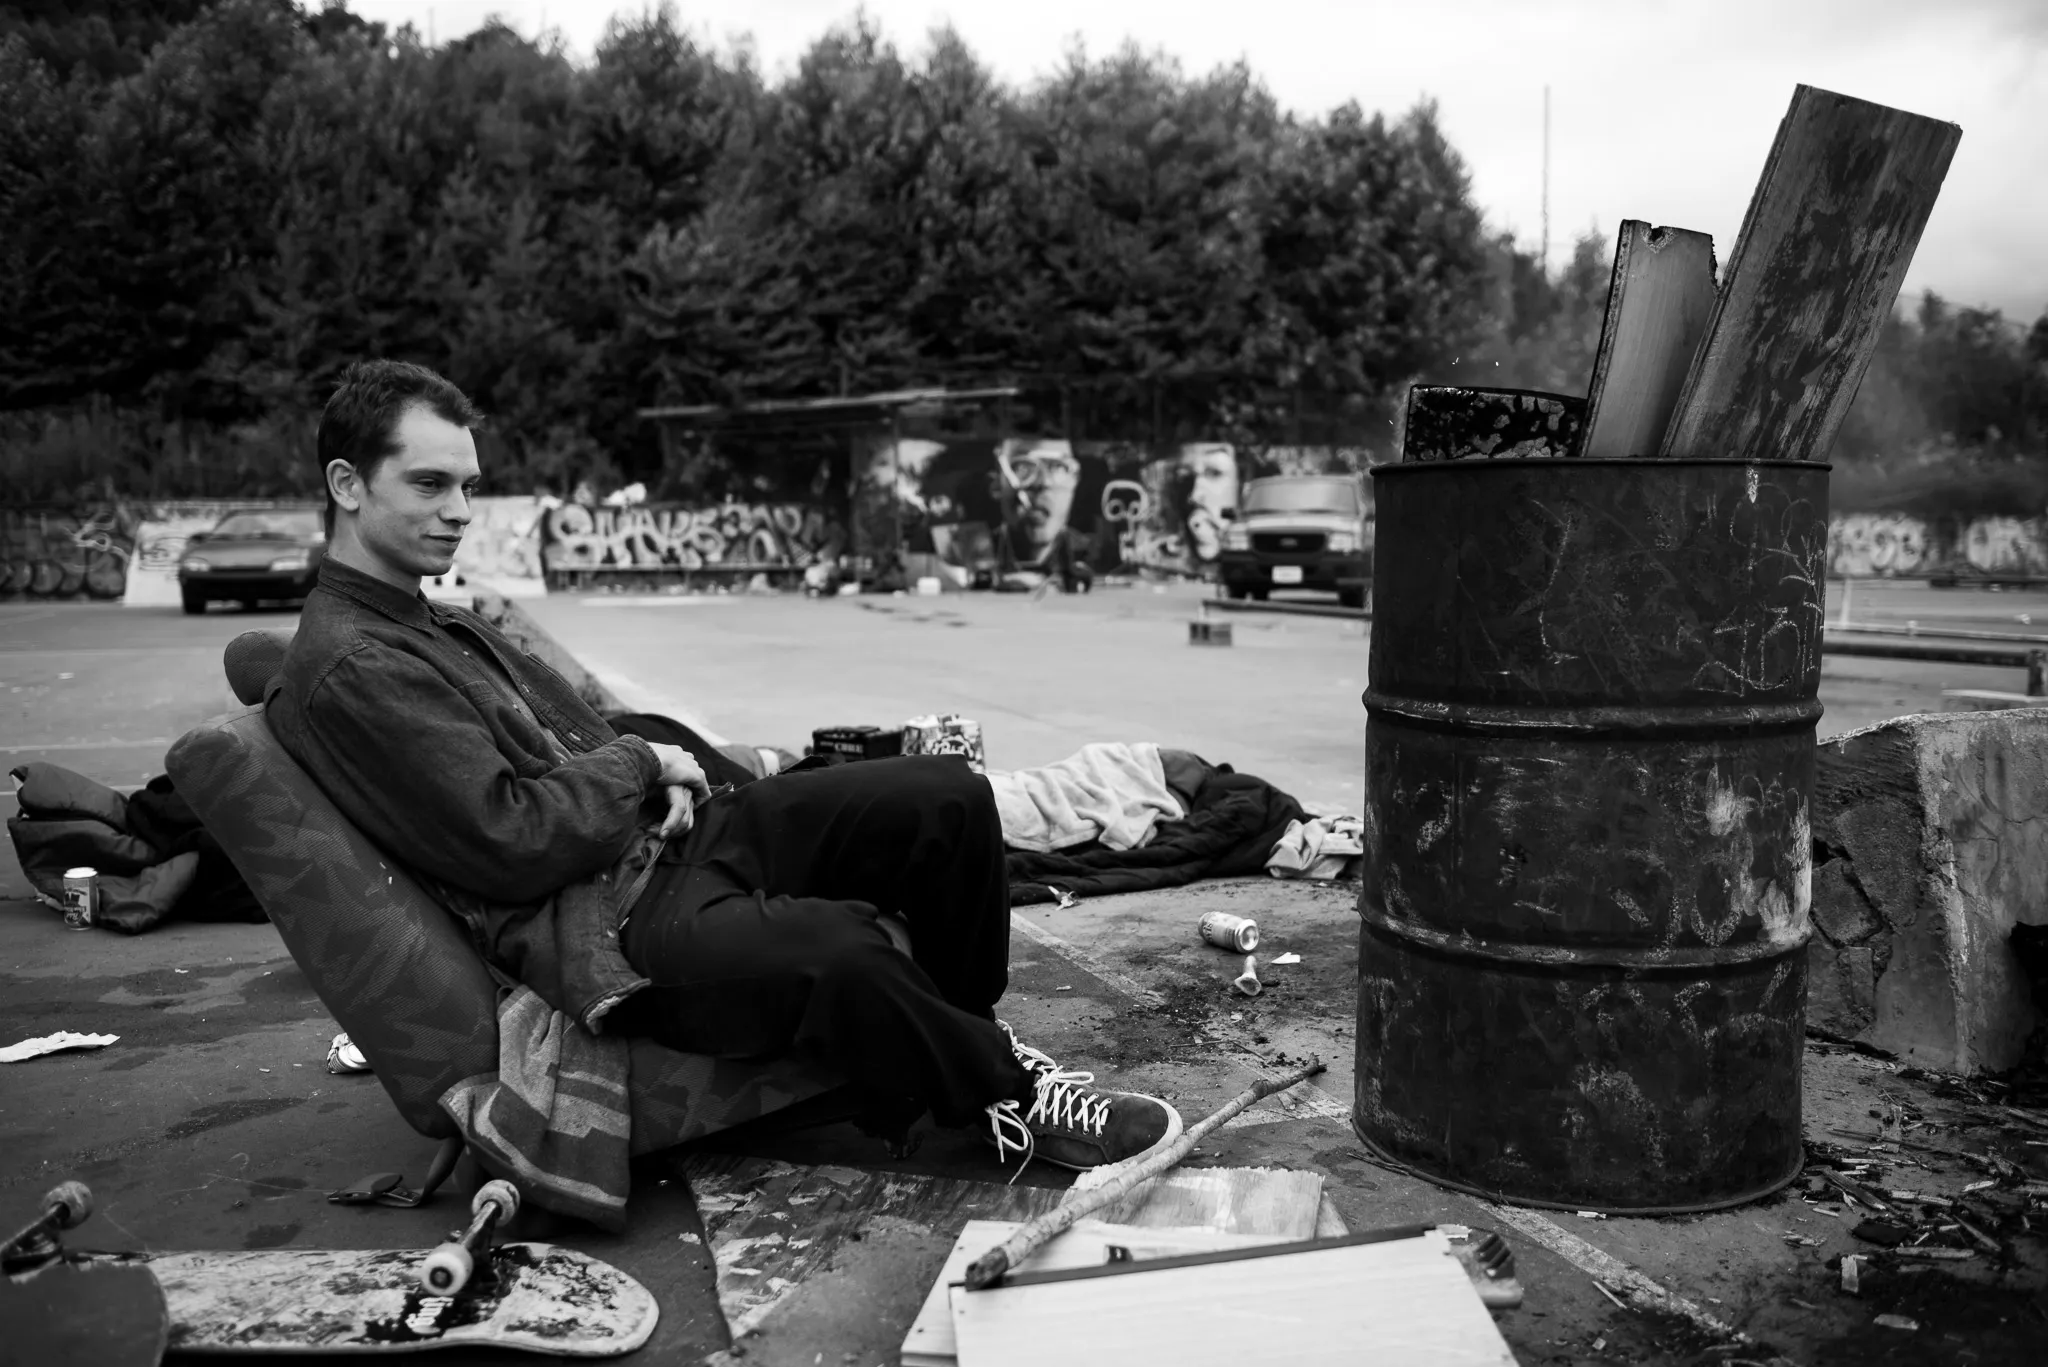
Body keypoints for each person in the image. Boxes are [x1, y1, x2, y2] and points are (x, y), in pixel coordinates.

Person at [267, 360, 1181, 1177]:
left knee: (945, 796)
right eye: (429, 485)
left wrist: (660, 771)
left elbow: (570, 739)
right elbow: (509, 838)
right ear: (347, 484)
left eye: (467, 485)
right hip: (609, 917)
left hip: (658, 839)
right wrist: (641, 759)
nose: (460, 511)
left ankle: (970, 1037)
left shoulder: (418, 616)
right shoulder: (355, 665)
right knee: (840, 950)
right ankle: (1009, 1098)